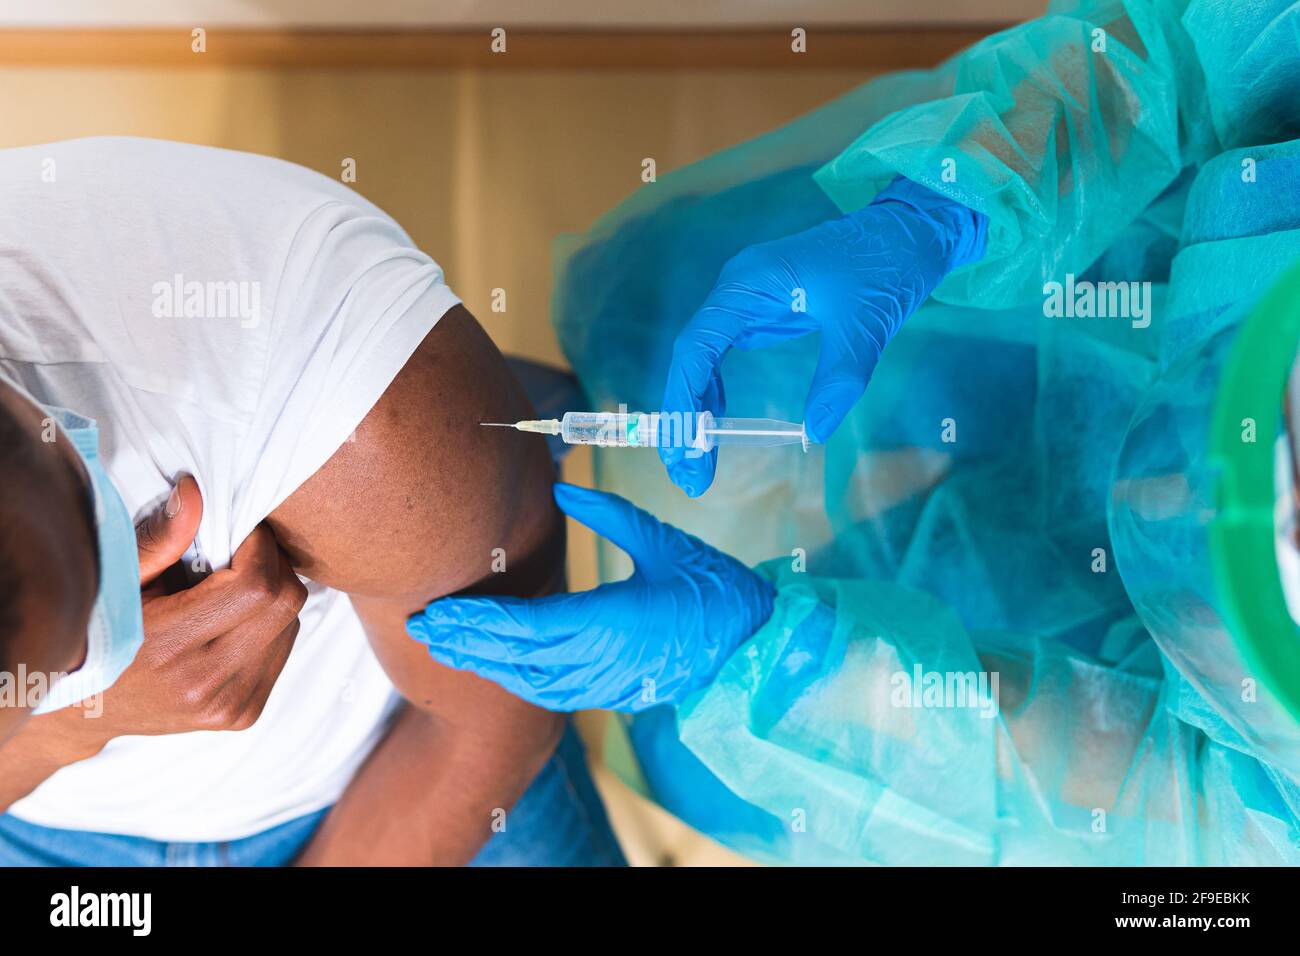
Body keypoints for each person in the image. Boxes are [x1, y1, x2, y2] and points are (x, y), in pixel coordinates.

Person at [410, 0, 1300, 864]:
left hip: (1107, 657)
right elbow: (1186, 48)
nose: (1196, 491)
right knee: (673, 303)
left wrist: (761, 663)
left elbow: (1148, 806)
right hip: (1098, 282)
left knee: (710, 759)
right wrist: (952, 205)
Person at [0, 136, 624, 866]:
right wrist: (66, 728)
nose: (79, 658)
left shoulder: (352, 403)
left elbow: (478, 733)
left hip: (390, 765)